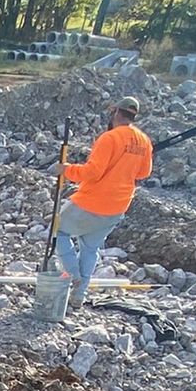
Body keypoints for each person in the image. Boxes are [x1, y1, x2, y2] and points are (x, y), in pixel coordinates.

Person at [54, 96, 152, 310]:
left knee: (58, 231)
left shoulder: (110, 138)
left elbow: (92, 172)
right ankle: (78, 297)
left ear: (116, 112)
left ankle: (73, 275)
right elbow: (144, 173)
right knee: (89, 248)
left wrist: (67, 170)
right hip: (118, 206)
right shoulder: (143, 140)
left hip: (91, 202)